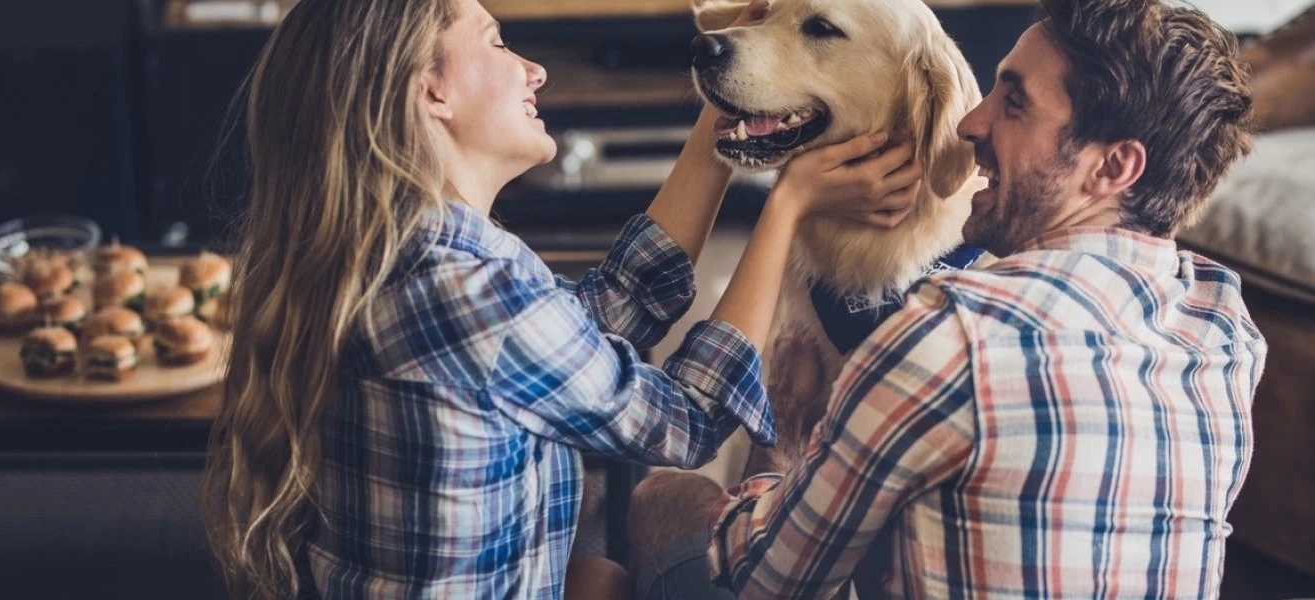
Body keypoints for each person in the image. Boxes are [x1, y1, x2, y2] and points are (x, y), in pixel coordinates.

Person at [199, 0, 926, 598]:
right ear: (431, 91)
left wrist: (728, 114)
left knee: (597, 579)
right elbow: (684, 422)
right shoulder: (464, 293)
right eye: (498, 43)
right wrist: (786, 205)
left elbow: (607, 310)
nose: (535, 69)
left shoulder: (411, 251)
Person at [628, 0, 1268, 598]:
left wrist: (783, 445)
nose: (968, 122)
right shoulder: (1226, 329)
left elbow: (768, 577)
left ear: (1112, 168)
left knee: (654, 501)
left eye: (1014, 104)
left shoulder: (949, 334)